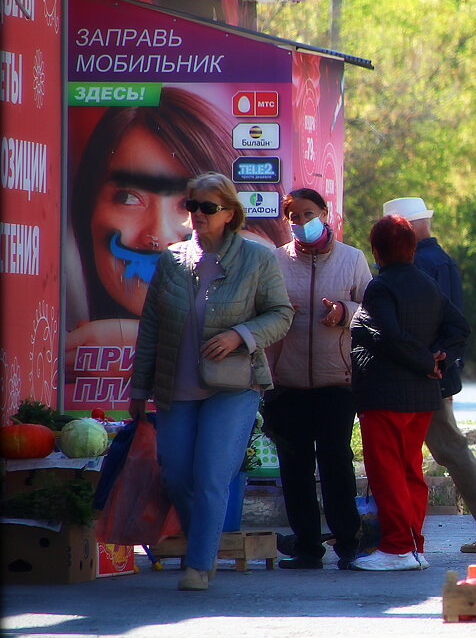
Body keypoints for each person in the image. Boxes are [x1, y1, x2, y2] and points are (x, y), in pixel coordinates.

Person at [65, 88, 288, 405]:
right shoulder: (63, 351)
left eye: (188, 204)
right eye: (129, 197)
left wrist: (138, 341)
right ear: (87, 210)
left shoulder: (254, 258)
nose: (157, 235)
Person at [129, 173, 293, 591]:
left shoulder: (257, 259)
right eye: (192, 206)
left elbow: (281, 314)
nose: (197, 214)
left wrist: (241, 335)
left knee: (212, 475)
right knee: (178, 476)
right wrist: (139, 388)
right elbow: (150, 328)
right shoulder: (172, 259)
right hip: (175, 388)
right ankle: (200, 543)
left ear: (229, 213)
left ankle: (199, 564)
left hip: (233, 386)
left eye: (208, 207)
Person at [382, 196, 476, 554]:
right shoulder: (443, 261)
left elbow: (414, 325)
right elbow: (454, 323)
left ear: (406, 228)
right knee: (438, 449)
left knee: (447, 448)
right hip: (437, 370)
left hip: (421, 374)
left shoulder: (416, 265)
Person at [349, 215, 469, 571]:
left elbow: (388, 335)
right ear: (412, 247)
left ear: (376, 250)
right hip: (422, 398)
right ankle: (414, 545)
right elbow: (459, 326)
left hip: (385, 395)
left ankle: (397, 547)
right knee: (410, 470)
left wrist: (424, 362)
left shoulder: (381, 287)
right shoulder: (427, 284)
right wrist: (439, 357)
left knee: (386, 472)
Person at [263, 188, 373, 570]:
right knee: (294, 469)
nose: (301, 223)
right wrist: (279, 313)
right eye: (294, 217)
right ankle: (308, 547)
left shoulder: (352, 259)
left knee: (335, 463)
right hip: (287, 382)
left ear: (325, 214)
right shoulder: (275, 261)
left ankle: (348, 543)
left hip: (337, 380)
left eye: (309, 214)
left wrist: (345, 312)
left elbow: (373, 314)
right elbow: (260, 310)